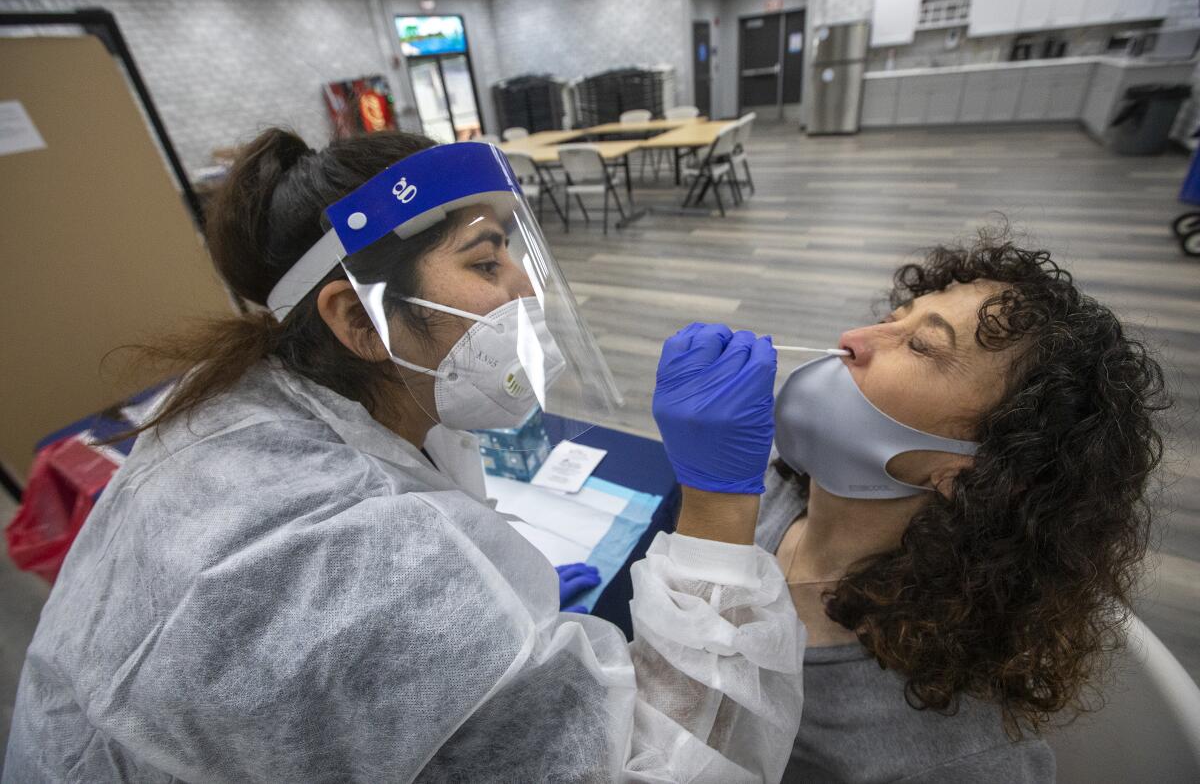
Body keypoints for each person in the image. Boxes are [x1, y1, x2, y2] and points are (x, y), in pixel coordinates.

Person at [3, 129, 805, 782]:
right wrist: (716, 506)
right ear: (357, 320)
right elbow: (663, 765)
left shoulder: (249, 407)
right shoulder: (366, 561)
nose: (526, 288)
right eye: (486, 261)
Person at [761, 236, 1168, 782]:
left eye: (921, 346)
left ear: (971, 470)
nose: (853, 338)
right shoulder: (776, 489)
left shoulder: (951, 756)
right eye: (892, 318)